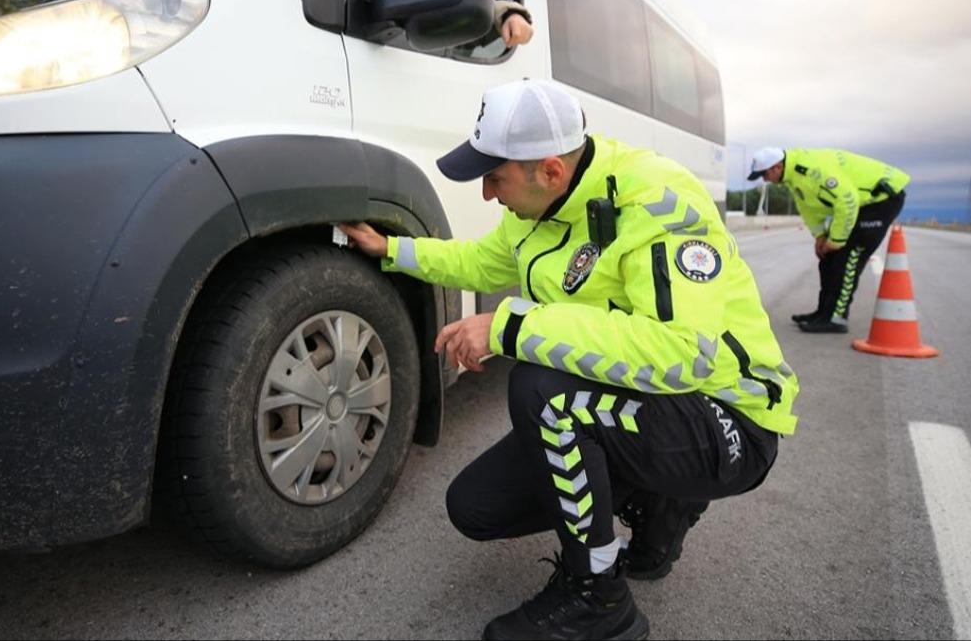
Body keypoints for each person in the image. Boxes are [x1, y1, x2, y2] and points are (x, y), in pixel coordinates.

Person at [340, 79, 799, 641]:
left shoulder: (656, 202)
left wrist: (508, 327)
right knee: (475, 507)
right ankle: (662, 505)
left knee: (544, 393)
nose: (487, 193)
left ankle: (598, 596)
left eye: (495, 176)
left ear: (550, 170)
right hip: (650, 408)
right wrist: (390, 249)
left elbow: (686, 354)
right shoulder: (535, 208)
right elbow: (479, 263)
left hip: (727, 420)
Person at [747, 147, 909, 333]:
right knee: (827, 259)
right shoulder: (793, 177)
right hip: (861, 203)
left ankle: (835, 318)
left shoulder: (812, 170)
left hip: (882, 198)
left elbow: (847, 200)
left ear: (776, 167)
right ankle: (824, 312)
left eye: (764, 174)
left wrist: (836, 241)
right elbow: (808, 209)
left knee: (848, 256)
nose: (764, 180)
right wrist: (821, 237)